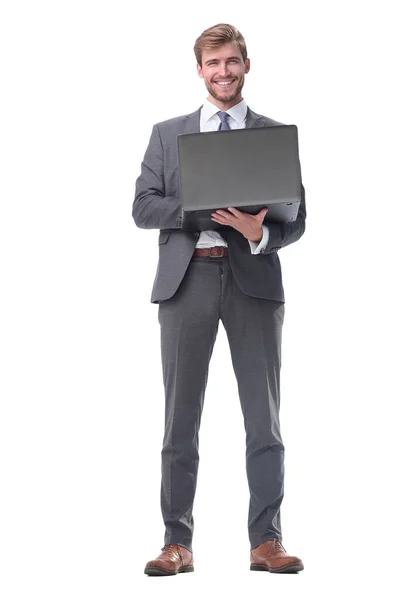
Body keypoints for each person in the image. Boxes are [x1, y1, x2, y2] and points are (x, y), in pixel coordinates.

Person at [132, 23, 306, 576]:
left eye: (232, 62)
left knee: (264, 418)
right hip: (188, 283)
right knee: (180, 419)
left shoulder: (273, 134)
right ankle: (176, 542)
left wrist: (258, 232)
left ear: (246, 66)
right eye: (213, 64)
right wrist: (201, 211)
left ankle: (267, 541)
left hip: (252, 281)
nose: (223, 72)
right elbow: (142, 207)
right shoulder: (167, 135)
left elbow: (298, 219)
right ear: (200, 70)